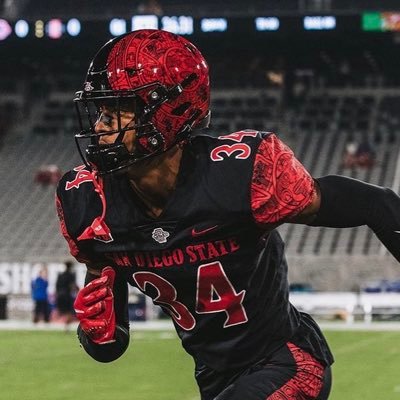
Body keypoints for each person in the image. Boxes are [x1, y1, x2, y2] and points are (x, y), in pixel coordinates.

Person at [55, 29, 400, 400]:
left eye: (119, 110)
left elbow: (374, 203)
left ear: (169, 112)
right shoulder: (88, 202)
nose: (101, 126)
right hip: (214, 376)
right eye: (101, 111)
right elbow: (109, 345)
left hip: (287, 360)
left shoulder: (241, 174)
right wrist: (95, 333)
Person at [55, 260, 79, 330]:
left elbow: (57, 285)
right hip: (67, 295)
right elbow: (72, 285)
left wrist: (57, 294)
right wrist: (78, 290)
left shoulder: (60, 275)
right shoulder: (71, 275)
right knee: (69, 311)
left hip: (60, 295)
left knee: (62, 310)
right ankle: (66, 326)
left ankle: (62, 323)